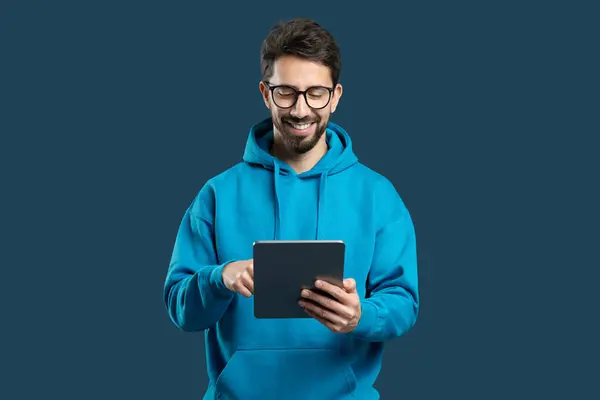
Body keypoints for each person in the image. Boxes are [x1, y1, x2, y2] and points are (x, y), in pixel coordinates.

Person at [163, 17, 419, 400]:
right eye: (286, 93)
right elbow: (181, 309)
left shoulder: (377, 195)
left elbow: (403, 301)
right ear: (266, 94)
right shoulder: (217, 194)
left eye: (315, 93)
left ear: (335, 96)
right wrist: (218, 278)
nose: (300, 110)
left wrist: (361, 315)